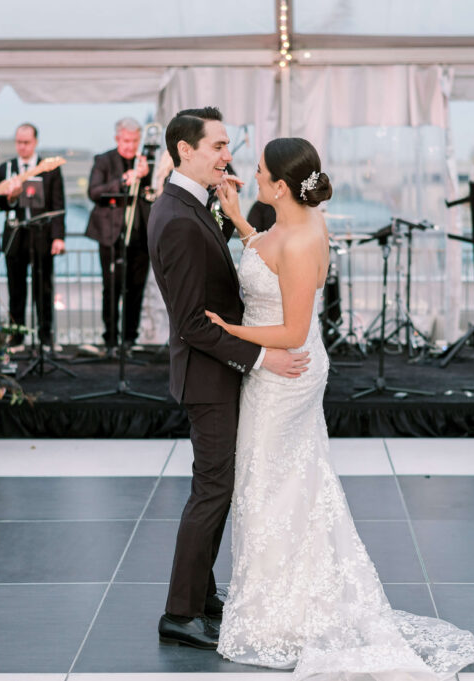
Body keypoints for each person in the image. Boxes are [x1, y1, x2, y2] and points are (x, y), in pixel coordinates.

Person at [206, 137, 474, 679]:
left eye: (259, 172)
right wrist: (239, 220)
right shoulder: (290, 222)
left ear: (280, 186)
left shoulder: (306, 235)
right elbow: (269, 258)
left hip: (289, 372)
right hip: (277, 368)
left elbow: (293, 329)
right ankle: (275, 594)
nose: (251, 176)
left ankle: (285, 607)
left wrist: (226, 330)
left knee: (273, 480)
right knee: (275, 480)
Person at [147, 107, 310, 651]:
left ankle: (203, 593)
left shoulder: (193, 206)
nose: (227, 155)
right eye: (217, 146)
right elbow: (194, 323)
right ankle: (180, 611)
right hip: (208, 377)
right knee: (211, 491)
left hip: (217, 372)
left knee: (218, 487)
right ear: (184, 150)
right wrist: (263, 360)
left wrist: (233, 216)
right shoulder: (175, 219)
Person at [0, 123, 66, 348]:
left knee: (43, 289)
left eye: (26, 142)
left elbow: (58, 204)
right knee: (16, 290)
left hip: (41, 236)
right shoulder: (7, 168)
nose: (22, 147)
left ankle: (45, 337)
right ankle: (16, 336)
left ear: (35, 142)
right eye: (18, 142)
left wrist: (58, 236)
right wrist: (11, 197)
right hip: (16, 235)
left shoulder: (49, 168)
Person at [86, 117, 153, 354]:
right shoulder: (104, 160)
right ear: (117, 139)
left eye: (135, 141)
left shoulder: (147, 162)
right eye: (126, 141)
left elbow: (156, 193)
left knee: (136, 289)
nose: (130, 146)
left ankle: (129, 339)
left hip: (141, 237)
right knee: (112, 288)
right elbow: (94, 192)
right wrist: (122, 181)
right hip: (111, 237)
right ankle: (111, 339)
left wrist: (146, 176)